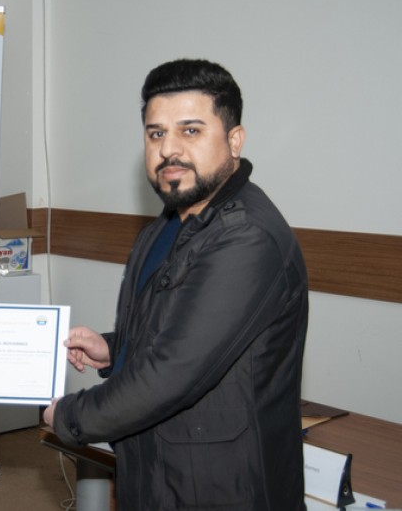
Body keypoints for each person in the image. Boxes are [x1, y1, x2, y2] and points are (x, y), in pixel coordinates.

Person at [44, 59, 308, 510]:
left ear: (234, 140)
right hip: (159, 470)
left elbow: (172, 373)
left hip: (223, 487)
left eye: (190, 131)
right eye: (156, 133)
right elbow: (179, 327)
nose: (169, 149)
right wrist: (114, 348)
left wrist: (70, 416)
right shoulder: (168, 225)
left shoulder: (247, 239)